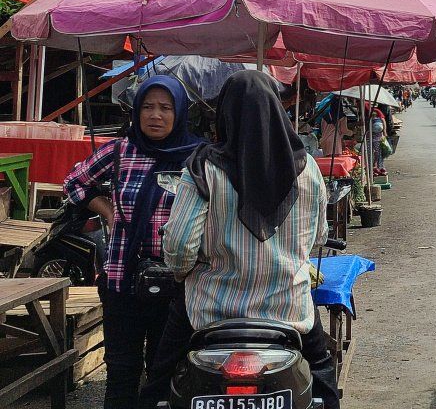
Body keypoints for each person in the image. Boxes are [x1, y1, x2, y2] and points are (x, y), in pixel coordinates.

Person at [141, 70, 338, 409]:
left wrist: (180, 270)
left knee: (157, 383)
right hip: (288, 310)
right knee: (323, 380)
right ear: (276, 109)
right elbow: (319, 235)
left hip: (209, 312)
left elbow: (179, 248)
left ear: (225, 115)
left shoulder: (203, 168)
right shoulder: (308, 170)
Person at [63, 75, 204, 409]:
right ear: (136, 112)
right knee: (121, 374)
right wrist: (107, 210)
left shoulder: (197, 159)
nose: (156, 115)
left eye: (165, 108)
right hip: (121, 282)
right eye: (148, 107)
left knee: (164, 375)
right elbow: (74, 182)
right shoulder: (119, 151)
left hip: (176, 286)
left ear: (180, 112)